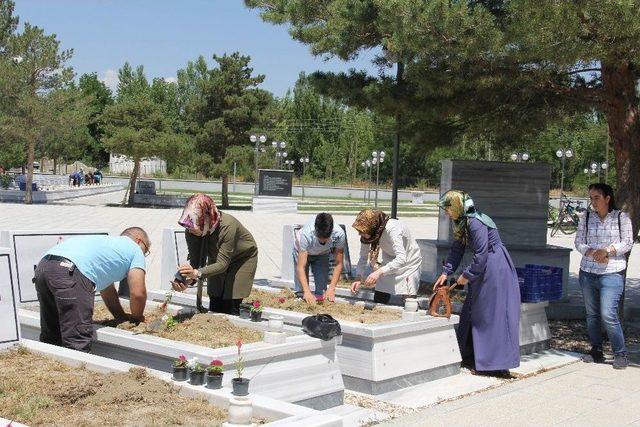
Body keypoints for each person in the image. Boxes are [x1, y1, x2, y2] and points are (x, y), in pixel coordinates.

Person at [433, 190, 520, 374]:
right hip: (484, 267)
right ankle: (470, 356)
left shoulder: (475, 222)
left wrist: (466, 275)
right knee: (472, 311)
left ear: (457, 206)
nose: (446, 213)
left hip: (494, 267)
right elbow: (457, 249)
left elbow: (481, 255)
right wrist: (446, 272)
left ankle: (493, 365)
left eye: (447, 209)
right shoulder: (462, 222)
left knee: (490, 315)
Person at [34, 227, 150, 352]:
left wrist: (120, 316)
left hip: (44, 266)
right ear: (139, 241)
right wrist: (137, 318)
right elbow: (138, 293)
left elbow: (108, 291)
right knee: (76, 339)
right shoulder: (135, 249)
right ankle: (77, 366)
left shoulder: (108, 246)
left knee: (52, 331)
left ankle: (52, 363)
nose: (144, 255)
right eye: (146, 250)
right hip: (71, 271)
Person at [575, 183, 633, 369]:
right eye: (591, 198)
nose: (593, 202)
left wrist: (607, 251)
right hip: (588, 273)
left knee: (608, 314)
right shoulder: (586, 218)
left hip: (612, 273)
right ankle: (596, 350)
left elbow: (628, 242)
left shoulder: (621, 218)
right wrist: (592, 252)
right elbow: (578, 242)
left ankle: (620, 353)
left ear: (607, 198)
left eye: (597, 198)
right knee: (592, 315)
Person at [171, 193, 258, 315]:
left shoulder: (228, 226)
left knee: (231, 299)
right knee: (215, 296)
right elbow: (196, 263)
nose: (191, 229)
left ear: (206, 217)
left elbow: (222, 264)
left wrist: (196, 273)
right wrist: (186, 280)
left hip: (242, 258)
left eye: (196, 224)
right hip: (217, 256)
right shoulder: (191, 229)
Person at [350, 209, 422, 304]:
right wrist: (358, 277)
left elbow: (401, 258)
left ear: (372, 227)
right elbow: (363, 257)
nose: (360, 234)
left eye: (362, 231)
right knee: (380, 298)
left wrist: (378, 272)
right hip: (389, 261)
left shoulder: (392, 229)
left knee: (409, 302)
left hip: (409, 263)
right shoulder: (370, 233)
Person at [293, 213, 346, 305]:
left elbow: (339, 264)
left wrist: (331, 288)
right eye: (320, 238)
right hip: (302, 251)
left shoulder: (339, 234)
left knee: (322, 292)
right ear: (315, 230)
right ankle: (301, 297)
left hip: (322, 254)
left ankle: (319, 298)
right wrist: (307, 292)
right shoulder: (306, 234)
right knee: (302, 290)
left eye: (326, 238)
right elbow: (300, 267)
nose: (322, 241)